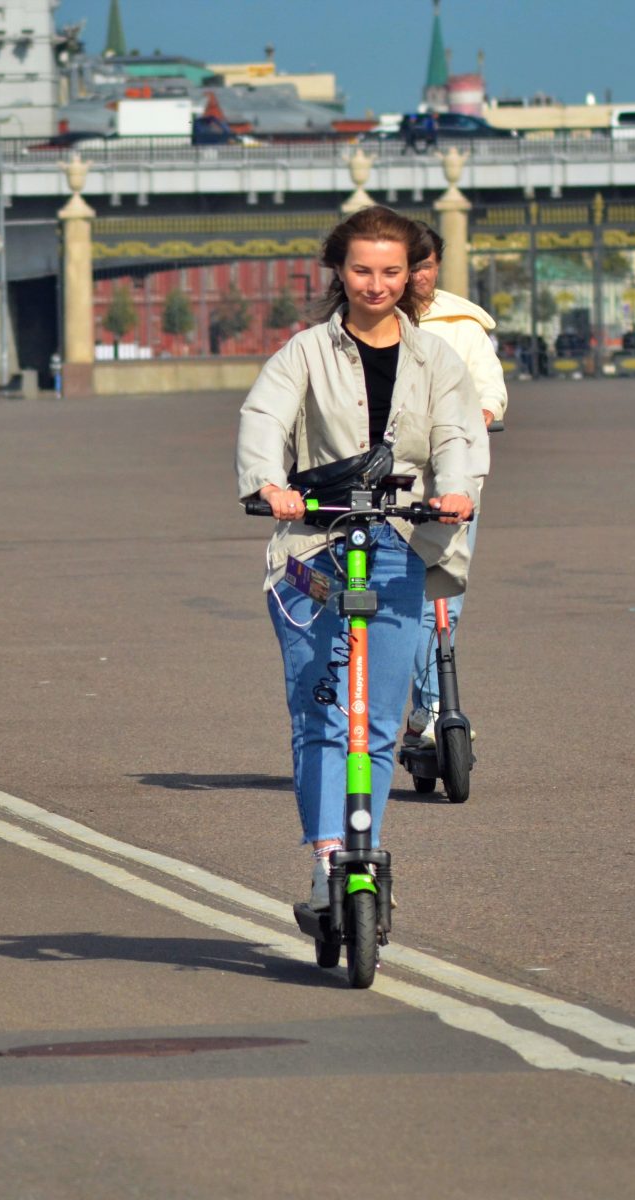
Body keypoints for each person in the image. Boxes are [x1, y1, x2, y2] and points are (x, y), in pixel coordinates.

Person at [235, 206, 485, 918]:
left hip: (400, 541)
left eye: (391, 271)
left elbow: (456, 435)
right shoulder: (304, 352)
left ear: (412, 276)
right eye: (362, 270)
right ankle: (325, 863)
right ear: (339, 273)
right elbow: (264, 418)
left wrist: (457, 492)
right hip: (316, 545)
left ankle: (362, 853)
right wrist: (269, 486)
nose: (376, 285)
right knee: (321, 712)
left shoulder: (437, 358)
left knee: (375, 723)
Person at [404, 224, 506, 741]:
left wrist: (479, 416)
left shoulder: (463, 326)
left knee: (443, 600)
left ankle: (429, 704)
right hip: (389, 483)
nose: (417, 278)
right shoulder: (373, 320)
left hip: (454, 479)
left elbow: (489, 387)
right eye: (409, 266)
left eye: (425, 266)